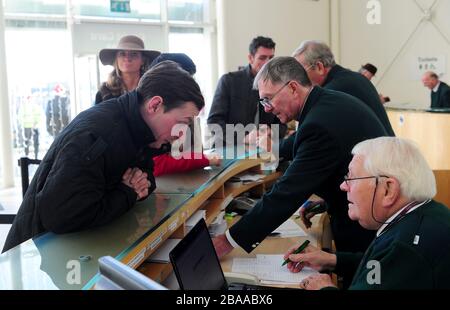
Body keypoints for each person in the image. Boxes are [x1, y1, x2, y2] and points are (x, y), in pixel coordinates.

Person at [2, 62, 204, 252]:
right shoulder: (98, 135)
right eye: (183, 122)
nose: (182, 133)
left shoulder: (138, 129)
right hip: (38, 255)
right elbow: (63, 216)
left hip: (74, 248)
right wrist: (127, 192)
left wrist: (137, 184)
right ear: (154, 105)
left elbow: (146, 176)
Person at [213, 57, 388, 266]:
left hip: (368, 224)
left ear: (293, 88)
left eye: (268, 99)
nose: (266, 108)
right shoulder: (325, 103)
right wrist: (329, 199)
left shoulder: (318, 123)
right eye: (263, 101)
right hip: (370, 208)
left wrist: (228, 240)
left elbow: (287, 193)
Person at [285, 137, 450, 290]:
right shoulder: (425, 214)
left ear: (388, 190)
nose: (343, 186)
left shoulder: (405, 249)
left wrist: (324, 289)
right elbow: (382, 271)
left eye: (352, 177)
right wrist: (331, 260)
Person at [292, 41, 395, 136]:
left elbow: (308, 132)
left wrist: (278, 147)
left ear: (319, 67)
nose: (298, 79)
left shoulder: (332, 91)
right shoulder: (352, 78)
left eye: (301, 73)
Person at [207, 36, 286, 147]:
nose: (268, 63)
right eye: (262, 58)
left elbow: (282, 124)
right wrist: (243, 137)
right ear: (250, 58)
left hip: (261, 150)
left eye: (271, 58)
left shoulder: (277, 85)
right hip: (229, 151)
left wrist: (272, 132)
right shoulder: (229, 81)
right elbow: (214, 122)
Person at [95, 35, 160, 104]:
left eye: (134, 54)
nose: (127, 58)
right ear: (116, 59)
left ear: (142, 60)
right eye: (122, 54)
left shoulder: (153, 89)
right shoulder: (104, 92)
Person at [18, 94, 43, 159]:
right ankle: (27, 155)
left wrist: (36, 123)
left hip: (35, 127)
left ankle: (36, 156)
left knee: (36, 142)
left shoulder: (35, 107)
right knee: (27, 141)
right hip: (27, 127)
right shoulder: (24, 107)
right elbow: (20, 117)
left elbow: (39, 116)